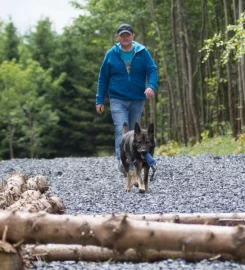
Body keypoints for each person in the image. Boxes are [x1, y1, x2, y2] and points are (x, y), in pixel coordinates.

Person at [95, 23, 158, 173]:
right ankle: (123, 163)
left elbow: (152, 70)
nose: (125, 38)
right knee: (120, 129)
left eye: (127, 35)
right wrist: (99, 99)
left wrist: (151, 86)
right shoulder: (111, 54)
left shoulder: (142, 52)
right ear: (117, 37)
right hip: (117, 98)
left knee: (133, 132)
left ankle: (135, 159)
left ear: (133, 36)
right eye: (122, 35)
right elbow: (103, 78)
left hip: (137, 98)